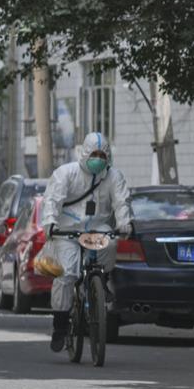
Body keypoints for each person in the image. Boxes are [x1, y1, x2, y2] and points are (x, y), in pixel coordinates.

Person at [41, 132, 134, 351]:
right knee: (66, 274)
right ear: (84, 153)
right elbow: (52, 200)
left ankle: (102, 280)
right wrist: (51, 223)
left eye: (102, 155)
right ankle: (60, 325)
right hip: (67, 230)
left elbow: (122, 202)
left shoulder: (114, 177)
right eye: (94, 154)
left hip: (97, 227)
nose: (98, 159)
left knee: (110, 243)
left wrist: (125, 223)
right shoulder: (66, 173)